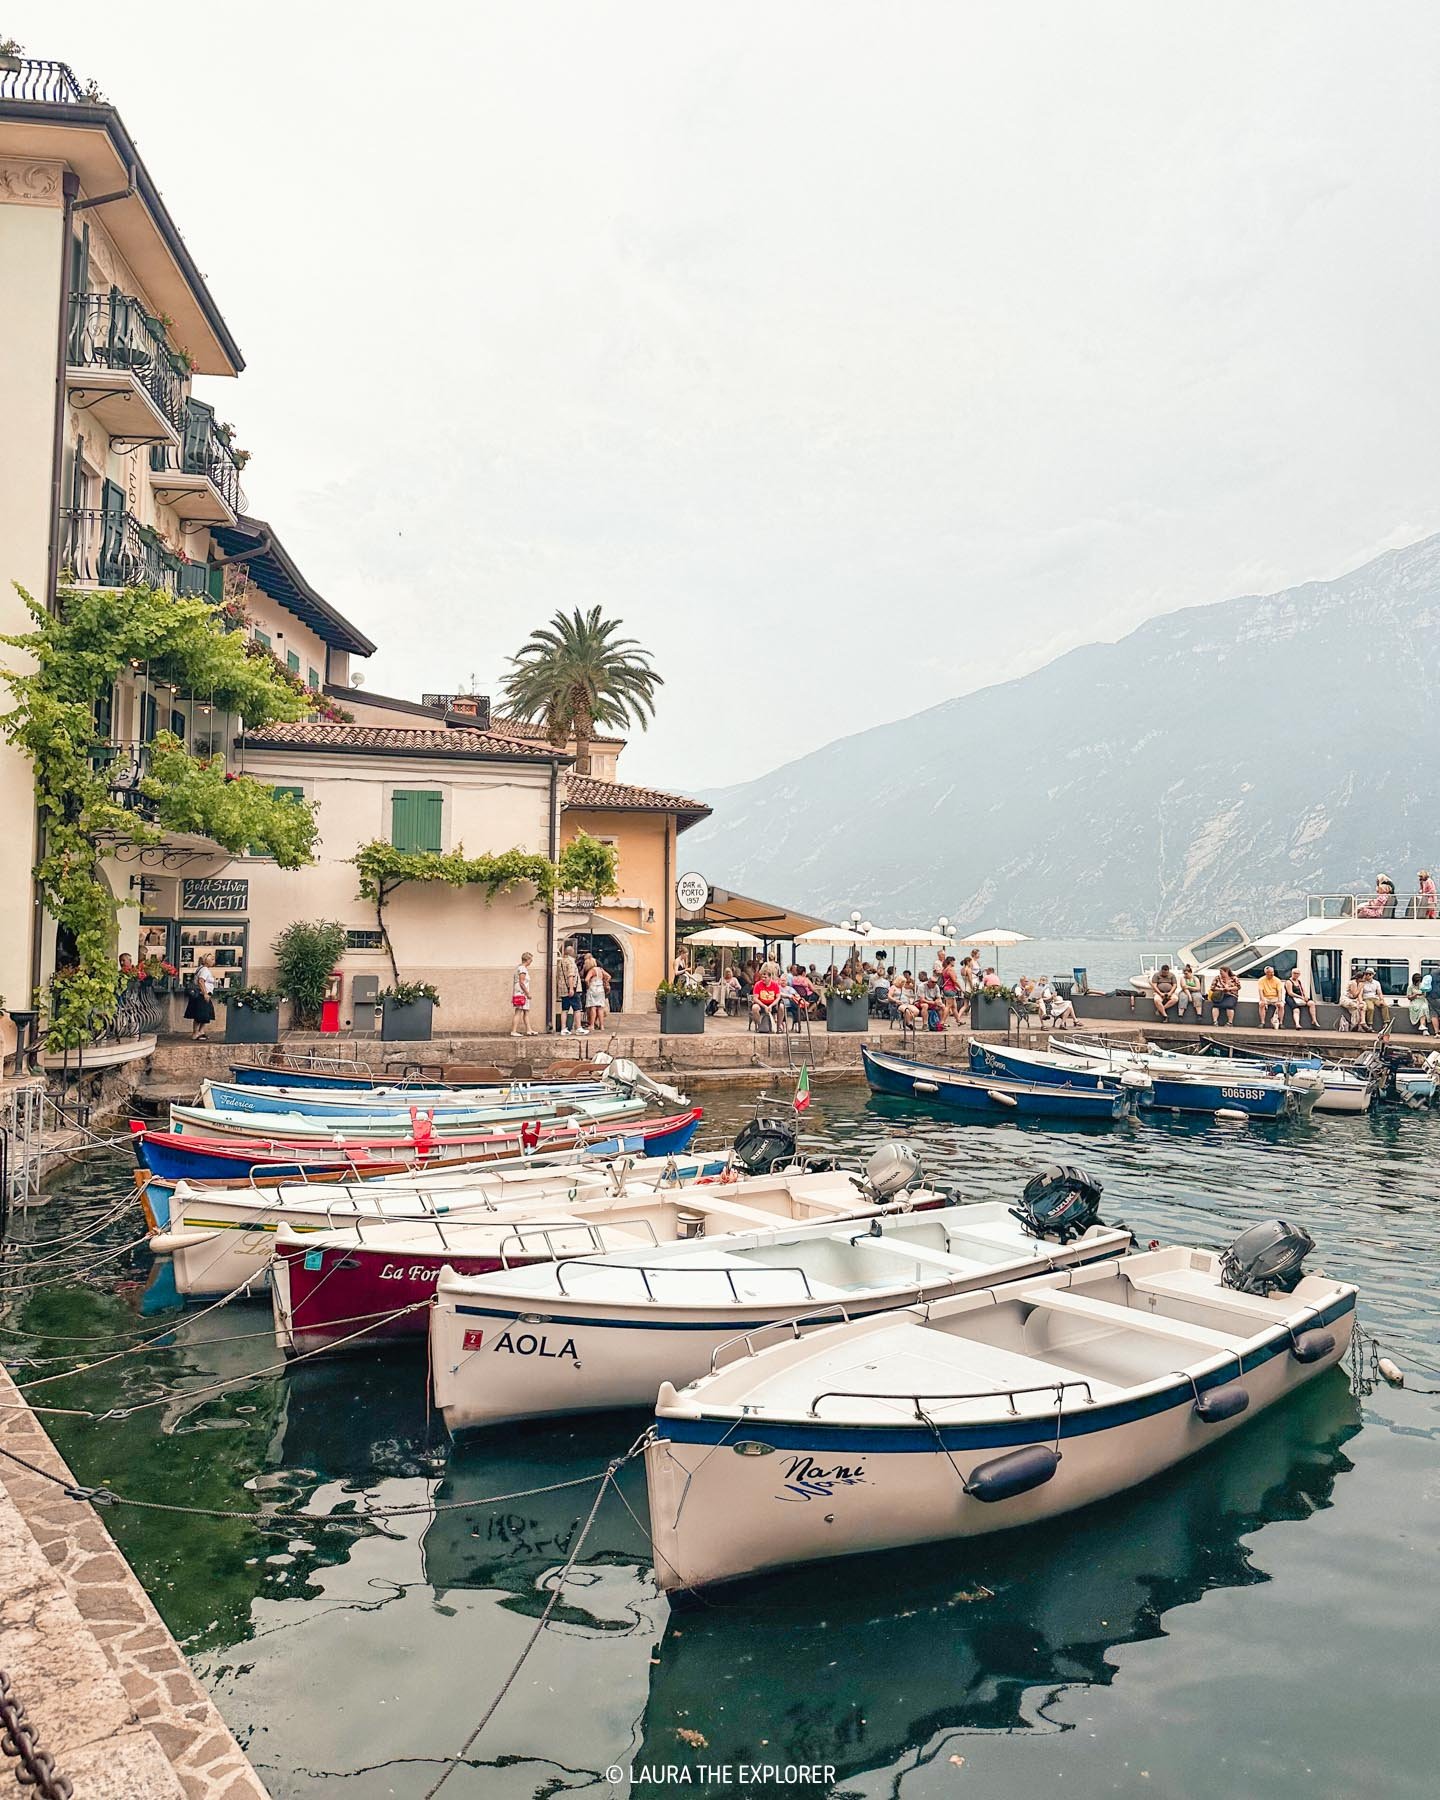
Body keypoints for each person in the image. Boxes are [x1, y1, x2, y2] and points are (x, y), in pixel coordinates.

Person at [185, 953, 217, 1042]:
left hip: (202, 994)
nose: (213, 961)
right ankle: (196, 1033)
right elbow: (201, 981)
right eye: (212, 959)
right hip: (201, 995)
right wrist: (205, 993)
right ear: (206, 961)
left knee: (205, 1014)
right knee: (200, 1014)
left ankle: (201, 1031)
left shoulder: (202, 969)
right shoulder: (205, 970)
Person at [556, 942, 582, 1034]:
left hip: (563, 989)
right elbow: (571, 976)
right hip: (572, 988)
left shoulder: (561, 962)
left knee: (565, 1009)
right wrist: (571, 988)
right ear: (572, 952)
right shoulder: (571, 962)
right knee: (577, 1008)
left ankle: (563, 1028)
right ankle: (578, 1027)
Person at [582, 955, 608, 1035]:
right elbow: (608, 976)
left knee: (593, 1007)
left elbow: (586, 979)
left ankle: (592, 1025)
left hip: (593, 989)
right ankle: (602, 1026)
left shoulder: (592, 970)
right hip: (600, 989)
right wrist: (604, 982)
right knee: (600, 1007)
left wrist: (588, 985)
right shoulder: (600, 969)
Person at [511, 950, 534, 1036]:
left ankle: (529, 1029)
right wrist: (527, 993)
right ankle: (513, 1031)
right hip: (521, 993)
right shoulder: (522, 969)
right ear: (527, 960)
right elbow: (521, 982)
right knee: (518, 1011)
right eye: (530, 960)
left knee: (526, 1011)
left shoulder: (520, 968)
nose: (531, 962)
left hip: (522, 993)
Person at [1256, 964, 1285, 1029]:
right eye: (1270, 972)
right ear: (1266, 973)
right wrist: (1263, 1000)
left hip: (1275, 997)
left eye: (1272, 972)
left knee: (1281, 1005)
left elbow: (1280, 991)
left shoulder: (1277, 980)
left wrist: (1279, 1000)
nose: (1272, 974)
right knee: (1261, 1004)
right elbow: (1261, 991)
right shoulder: (1261, 980)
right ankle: (1262, 1022)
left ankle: (1281, 1023)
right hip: (1266, 997)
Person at [1360, 968, 1386, 1032]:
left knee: (1384, 1005)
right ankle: (1370, 1024)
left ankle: (1386, 1023)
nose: (1368, 975)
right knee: (1370, 1008)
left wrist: (1382, 1000)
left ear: (1373, 975)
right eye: (1366, 974)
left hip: (1374, 998)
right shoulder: (1363, 983)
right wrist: (1361, 1001)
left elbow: (1379, 993)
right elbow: (1360, 994)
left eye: (1370, 974)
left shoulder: (1376, 983)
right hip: (1366, 998)